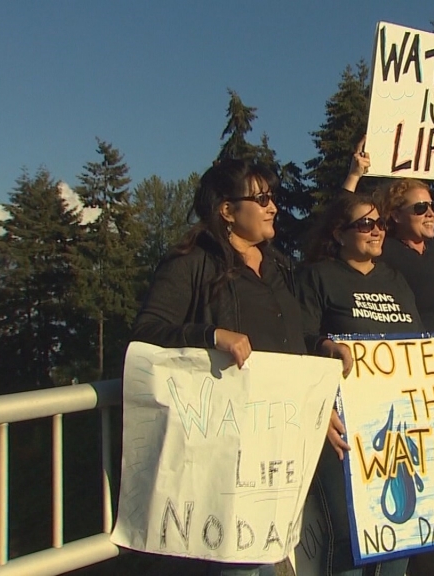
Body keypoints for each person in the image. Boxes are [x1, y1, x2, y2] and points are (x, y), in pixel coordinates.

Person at [130, 158, 349, 576]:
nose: (274, 207)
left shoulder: (279, 266)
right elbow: (147, 332)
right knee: (242, 565)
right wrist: (212, 336)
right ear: (227, 210)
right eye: (261, 198)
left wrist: (322, 347)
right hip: (225, 448)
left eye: (273, 198)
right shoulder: (193, 262)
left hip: (281, 443)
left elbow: (293, 342)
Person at [342, 146, 434, 576]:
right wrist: (354, 175)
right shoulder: (385, 253)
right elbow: (338, 222)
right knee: (419, 506)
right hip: (401, 390)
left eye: (433, 205)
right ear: (393, 216)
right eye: (420, 206)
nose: (431, 213)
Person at [297, 191, 424, 576]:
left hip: (400, 424)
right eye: (365, 224)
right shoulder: (318, 276)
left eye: (381, 223)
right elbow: (298, 342)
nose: (377, 231)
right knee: (350, 536)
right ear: (339, 234)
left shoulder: (395, 279)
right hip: (344, 427)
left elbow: (422, 348)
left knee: (400, 533)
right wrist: (323, 346)